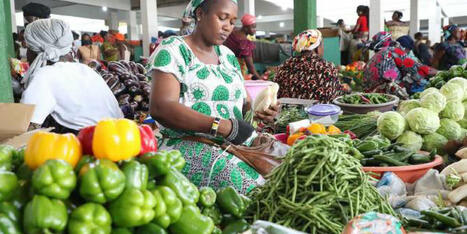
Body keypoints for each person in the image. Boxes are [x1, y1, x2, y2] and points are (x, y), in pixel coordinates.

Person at [148, 0, 279, 194]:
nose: (227, 27)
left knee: (286, 172)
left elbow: (243, 105)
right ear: (200, 14)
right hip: (187, 145)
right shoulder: (174, 50)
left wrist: (261, 112)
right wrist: (222, 126)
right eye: (222, 18)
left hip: (232, 143)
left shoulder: (228, 56)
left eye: (232, 21)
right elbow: (161, 107)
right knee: (255, 190)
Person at [20, 19, 123, 134]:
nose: (27, 53)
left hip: (88, 145)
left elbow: (26, 128)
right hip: (120, 139)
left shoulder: (45, 75)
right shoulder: (86, 70)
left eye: (28, 47)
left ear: (36, 49)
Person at [274, 29, 343, 103]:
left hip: (288, 112)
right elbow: (336, 97)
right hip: (318, 114)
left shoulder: (285, 65)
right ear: (317, 48)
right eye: (322, 45)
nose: (323, 48)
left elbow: (276, 93)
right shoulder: (327, 68)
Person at [363, 32, 436, 98]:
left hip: (371, 96)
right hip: (387, 95)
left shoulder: (373, 58)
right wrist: (439, 72)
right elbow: (416, 67)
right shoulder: (391, 51)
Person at [224, 13, 261, 80]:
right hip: (237, 73)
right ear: (246, 27)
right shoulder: (245, 44)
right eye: (253, 27)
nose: (255, 30)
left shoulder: (233, 30)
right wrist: (262, 81)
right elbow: (251, 68)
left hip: (225, 66)